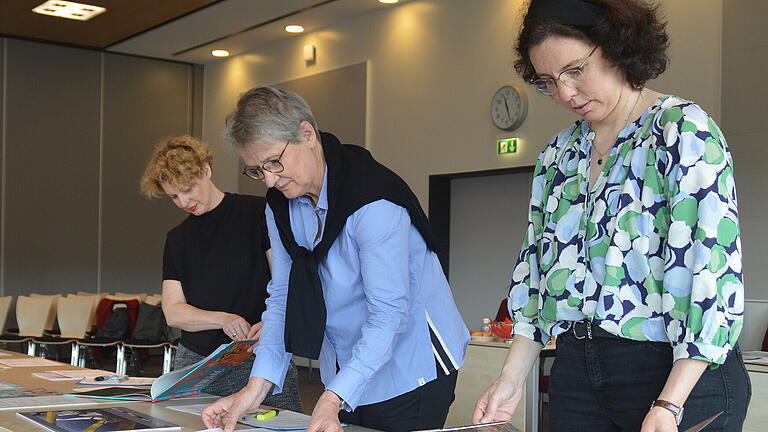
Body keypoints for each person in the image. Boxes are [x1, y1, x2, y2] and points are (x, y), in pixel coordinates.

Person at [473, 1, 750, 431]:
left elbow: (712, 276)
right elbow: (534, 274)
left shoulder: (682, 131)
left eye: (576, 70)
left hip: (677, 376)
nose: (565, 93)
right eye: (549, 81)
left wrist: (670, 403)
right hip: (577, 369)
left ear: (618, 48)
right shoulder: (558, 155)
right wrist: (510, 379)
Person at [201, 86, 470, 432]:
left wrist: (331, 399)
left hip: (410, 368)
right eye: (256, 169)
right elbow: (284, 296)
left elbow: (389, 313)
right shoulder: (280, 205)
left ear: (306, 134)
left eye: (273, 161)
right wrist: (255, 388)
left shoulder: (372, 200)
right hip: (345, 366)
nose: (268, 178)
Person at [139, 135, 302, 412]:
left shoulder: (258, 213)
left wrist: (274, 323)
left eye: (188, 189)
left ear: (206, 170)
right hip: (197, 365)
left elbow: (286, 282)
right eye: (174, 196)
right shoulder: (177, 238)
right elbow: (174, 312)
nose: (183, 202)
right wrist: (223, 319)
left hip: (258, 355)